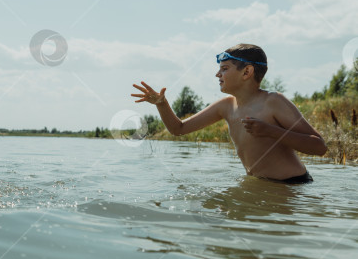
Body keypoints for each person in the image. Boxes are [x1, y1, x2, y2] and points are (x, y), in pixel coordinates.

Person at [131, 43, 327, 183]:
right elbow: (178, 129)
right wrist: (162, 104)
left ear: (246, 72)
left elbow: (319, 147)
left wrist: (271, 131)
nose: (218, 75)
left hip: (292, 185)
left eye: (224, 69)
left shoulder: (273, 102)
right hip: (260, 185)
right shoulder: (225, 106)